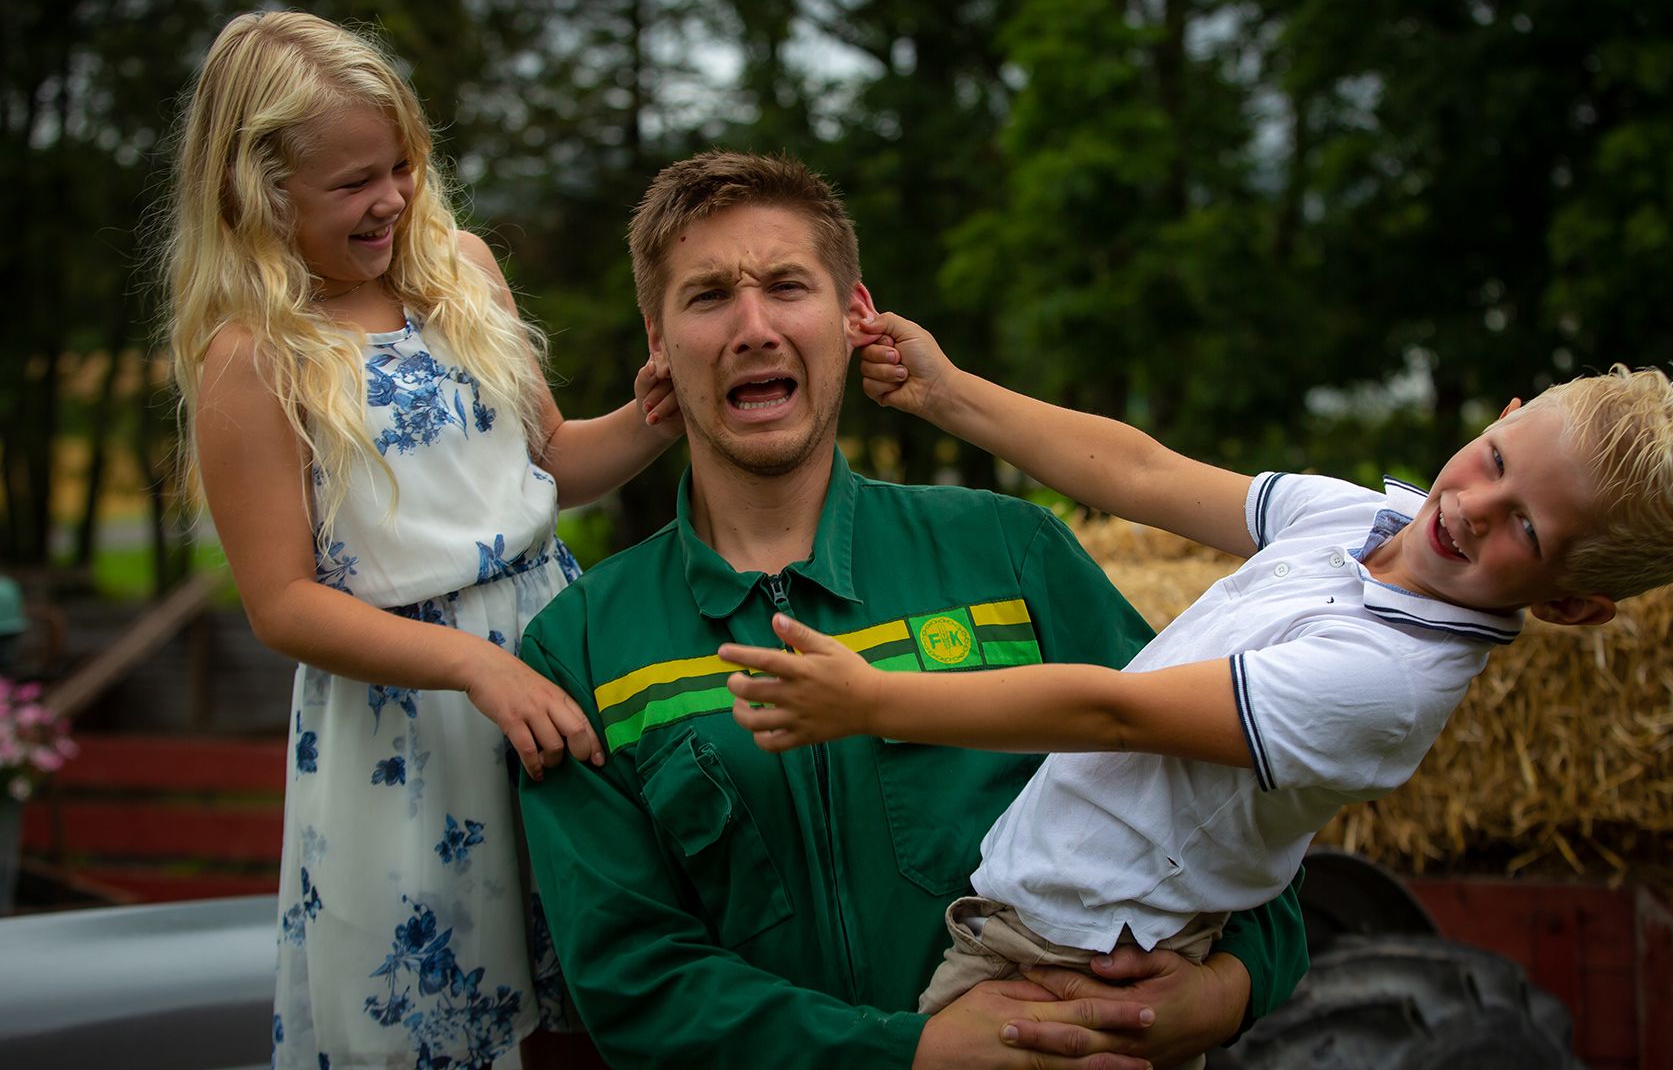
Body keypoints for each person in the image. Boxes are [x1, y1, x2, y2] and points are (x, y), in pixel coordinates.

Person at [723, 314, 1673, 1051]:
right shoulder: (1355, 519)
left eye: (1527, 528)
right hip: (1039, 924)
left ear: (1567, 605)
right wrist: (949, 394)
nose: (1474, 506)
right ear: (1500, 416)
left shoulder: (1387, 683)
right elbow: (1147, 475)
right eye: (1495, 459)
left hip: (1070, 966)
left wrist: (874, 701)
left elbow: (1113, 712)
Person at [515, 151, 1308, 1070]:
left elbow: (1238, 802)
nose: (754, 326)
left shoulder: (1012, 556)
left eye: (787, 286)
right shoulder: (581, 647)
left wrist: (1229, 989)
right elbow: (635, 982)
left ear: (854, 317)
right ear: (657, 342)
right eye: (708, 297)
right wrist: (911, 1054)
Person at [160, 11, 680, 1070]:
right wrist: (472, 670)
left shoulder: (462, 272)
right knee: (443, 1025)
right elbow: (284, 604)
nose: (391, 199)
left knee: (596, 987)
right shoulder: (253, 358)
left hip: (552, 663)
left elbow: (552, 468)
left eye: (400, 165)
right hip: (411, 722)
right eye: (352, 182)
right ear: (256, 189)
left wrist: (655, 414)